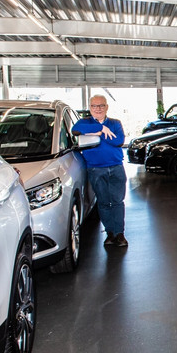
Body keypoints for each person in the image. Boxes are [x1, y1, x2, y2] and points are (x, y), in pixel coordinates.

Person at [72, 95, 128, 247]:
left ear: (106, 107)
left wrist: (98, 134)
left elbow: (118, 141)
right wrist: (101, 128)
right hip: (95, 169)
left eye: (101, 105)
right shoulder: (84, 122)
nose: (98, 109)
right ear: (90, 107)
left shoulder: (115, 123)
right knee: (103, 202)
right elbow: (75, 130)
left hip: (116, 167)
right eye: (94, 106)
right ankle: (110, 233)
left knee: (117, 202)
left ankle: (119, 234)